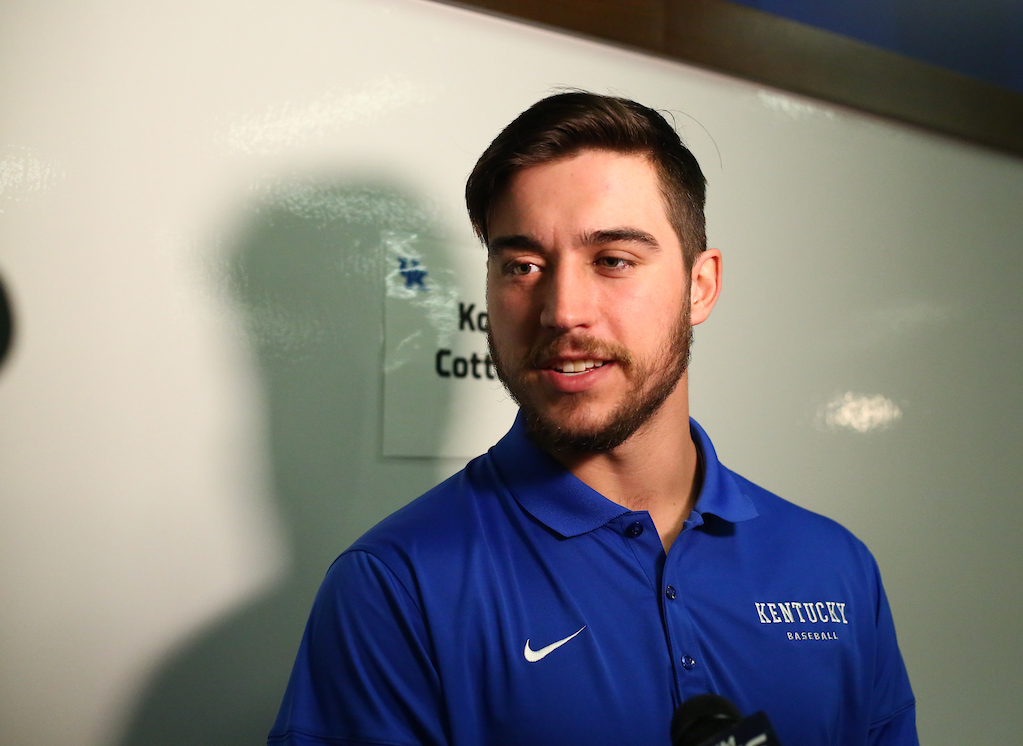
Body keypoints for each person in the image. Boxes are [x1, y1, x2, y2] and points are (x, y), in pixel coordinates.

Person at [268, 92, 917, 746]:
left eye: (612, 260)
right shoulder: (394, 587)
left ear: (701, 286)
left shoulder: (835, 568)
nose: (561, 310)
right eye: (522, 265)